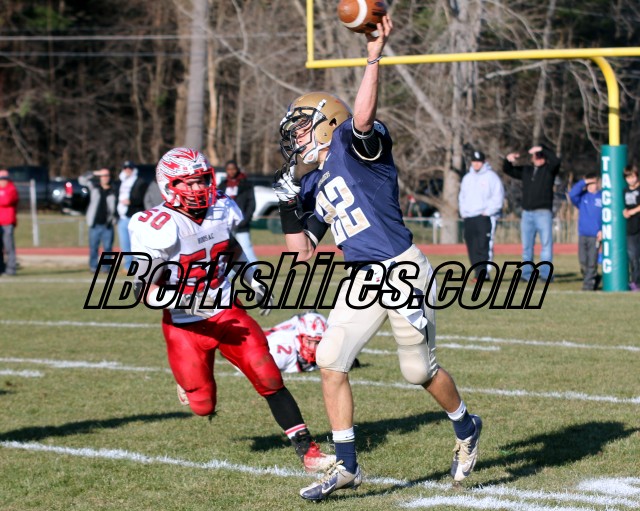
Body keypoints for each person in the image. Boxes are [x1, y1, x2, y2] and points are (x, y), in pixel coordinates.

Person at [273, 16, 481, 501]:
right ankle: (347, 465)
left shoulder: (354, 145)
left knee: (418, 371)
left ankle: (466, 426)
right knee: (329, 358)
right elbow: (302, 254)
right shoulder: (312, 181)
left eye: (301, 128)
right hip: (362, 277)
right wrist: (286, 204)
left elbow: (363, 118)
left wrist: (372, 56)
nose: (295, 138)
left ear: (327, 124)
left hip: (402, 267)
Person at [128, 147, 334, 474]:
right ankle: (187, 382)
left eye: (202, 180)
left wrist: (252, 278)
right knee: (203, 406)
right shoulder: (155, 225)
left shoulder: (221, 207)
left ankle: (308, 451)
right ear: (169, 185)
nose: (199, 188)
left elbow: (231, 248)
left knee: (268, 375)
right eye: (189, 182)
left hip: (227, 312)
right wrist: (188, 301)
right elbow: (143, 290)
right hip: (184, 325)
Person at [503, 144, 561, 282]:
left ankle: (546, 275)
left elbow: (556, 161)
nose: (538, 158)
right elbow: (508, 170)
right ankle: (527, 274)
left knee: (546, 245)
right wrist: (508, 160)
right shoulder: (527, 170)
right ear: (532, 158)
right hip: (527, 214)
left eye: (541, 156)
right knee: (527, 247)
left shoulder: (549, 170)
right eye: (536, 156)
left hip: (543, 213)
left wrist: (542, 149)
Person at [458, 150, 504, 280]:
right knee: (472, 245)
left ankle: (483, 273)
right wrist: (463, 212)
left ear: (483, 162)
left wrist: (488, 212)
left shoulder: (491, 177)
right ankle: (477, 271)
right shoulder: (467, 178)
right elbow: (462, 197)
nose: (476, 164)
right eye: (474, 161)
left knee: (483, 245)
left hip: (484, 216)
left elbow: (498, 196)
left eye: (479, 161)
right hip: (469, 217)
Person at [218, 160, 257, 263]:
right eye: (229, 169)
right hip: (226, 225)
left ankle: (252, 268)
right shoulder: (222, 185)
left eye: (233, 169)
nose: (231, 171)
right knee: (228, 251)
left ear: (237, 169)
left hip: (242, 224)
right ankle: (230, 271)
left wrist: (245, 219)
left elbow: (251, 204)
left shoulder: (246, 184)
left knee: (246, 248)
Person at [80, 169, 118, 273]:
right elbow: (81, 180)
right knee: (93, 247)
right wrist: (94, 173)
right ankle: (93, 267)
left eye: (107, 175)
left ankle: (106, 268)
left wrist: (114, 219)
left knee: (108, 248)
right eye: (103, 175)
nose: (105, 177)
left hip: (107, 225)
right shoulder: (94, 187)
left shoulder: (114, 190)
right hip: (95, 224)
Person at [568, 173, 602, 291]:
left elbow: (606, 215)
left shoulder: (602, 197)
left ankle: (588, 285)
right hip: (583, 234)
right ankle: (595, 278)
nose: (591, 186)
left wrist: (602, 230)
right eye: (589, 184)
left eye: (593, 183)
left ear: (597, 183)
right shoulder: (582, 198)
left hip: (595, 236)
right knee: (583, 261)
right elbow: (572, 194)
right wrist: (584, 182)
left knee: (592, 261)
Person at [117, 160, 148, 270]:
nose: (127, 170)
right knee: (125, 245)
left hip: (134, 217)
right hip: (122, 217)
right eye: (125, 168)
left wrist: (131, 201)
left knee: (137, 244)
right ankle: (128, 266)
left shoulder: (140, 182)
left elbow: (142, 199)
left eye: (129, 168)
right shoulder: (121, 182)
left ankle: (139, 266)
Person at [623, 164, 640, 291]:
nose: (631, 180)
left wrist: (633, 211)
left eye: (633, 177)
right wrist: (624, 211)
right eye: (628, 177)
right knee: (633, 257)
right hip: (631, 229)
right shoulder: (624, 191)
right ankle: (635, 282)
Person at [0, 169, 19, 276]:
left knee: (9, 247)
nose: (2, 181)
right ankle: (1, 268)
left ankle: (11, 269)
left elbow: (6, 200)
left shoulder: (11, 189)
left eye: (4, 179)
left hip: (7, 222)